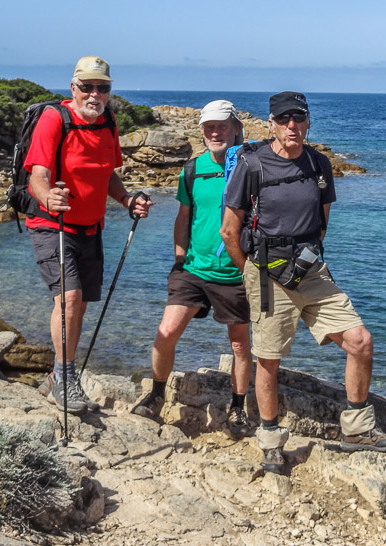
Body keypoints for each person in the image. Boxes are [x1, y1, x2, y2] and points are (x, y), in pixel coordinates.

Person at [220, 91, 386, 473]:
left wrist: (304, 258)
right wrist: (251, 271)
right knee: (268, 360)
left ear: (307, 122)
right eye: (284, 119)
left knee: (360, 341)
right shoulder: (252, 164)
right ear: (270, 123)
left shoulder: (319, 164)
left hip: (310, 271)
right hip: (267, 273)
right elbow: (229, 230)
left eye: (298, 118)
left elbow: (322, 221)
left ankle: (355, 430)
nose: (292, 126)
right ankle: (270, 442)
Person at [28, 56, 152, 416]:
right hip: (54, 225)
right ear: (73, 87)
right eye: (87, 87)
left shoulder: (108, 122)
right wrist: (47, 194)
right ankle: (66, 378)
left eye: (103, 87)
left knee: (78, 306)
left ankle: (55, 375)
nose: (95, 94)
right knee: (68, 299)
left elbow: (107, 173)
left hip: (92, 227)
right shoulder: (55, 120)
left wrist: (128, 199)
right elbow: (38, 175)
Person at [131, 100, 253, 439]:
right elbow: (183, 217)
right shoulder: (192, 169)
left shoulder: (250, 167)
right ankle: (156, 394)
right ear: (202, 131)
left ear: (234, 128)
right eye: (208, 127)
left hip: (236, 272)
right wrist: (179, 260)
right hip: (194, 269)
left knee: (240, 345)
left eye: (222, 126)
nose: (215, 132)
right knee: (166, 333)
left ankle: (238, 408)